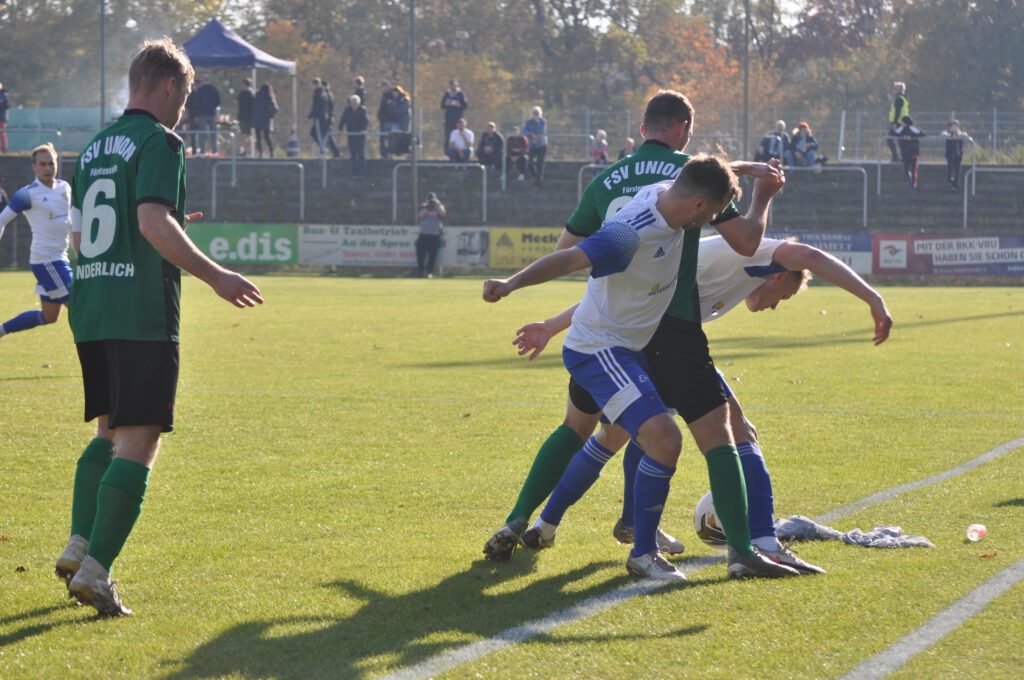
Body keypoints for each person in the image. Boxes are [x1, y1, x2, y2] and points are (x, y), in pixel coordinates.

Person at [482, 91, 796, 581]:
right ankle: (639, 547)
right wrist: (512, 283)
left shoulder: (647, 182)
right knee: (655, 438)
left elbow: (697, 179)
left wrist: (747, 168)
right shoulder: (635, 229)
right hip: (607, 347)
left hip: (631, 338)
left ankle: (726, 551)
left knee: (610, 433)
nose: (706, 226)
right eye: (709, 215)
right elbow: (574, 257)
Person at [505, 234, 893, 576]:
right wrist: (873, 298)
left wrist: (552, 326)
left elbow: (625, 294)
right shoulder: (758, 254)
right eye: (785, 295)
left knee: (616, 435)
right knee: (731, 431)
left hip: (619, 343)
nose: (777, 305)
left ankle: (552, 523)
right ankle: (759, 543)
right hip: (647, 348)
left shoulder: (726, 263)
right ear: (779, 274)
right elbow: (808, 254)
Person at [57, 38, 263, 617]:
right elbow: (150, 222)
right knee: (140, 439)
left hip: (93, 304)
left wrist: (167, 226)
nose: (185, 110)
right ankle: (96, 574)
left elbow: (83, 235)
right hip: (138, 311)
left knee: (108, 429)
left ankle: (79, 546)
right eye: (187, 95)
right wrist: (216, 274)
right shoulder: (161, 141)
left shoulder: (96, 145)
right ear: (170, 85)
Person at [0, 143, 72, 340]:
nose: (48, 168)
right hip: (47, 261)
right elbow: (2, 219)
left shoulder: (65, 187)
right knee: (79, 306)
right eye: (42, 164)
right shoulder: (28, 193)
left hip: (61, 258)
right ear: (34, 166)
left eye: (51, 163)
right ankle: (95, 356)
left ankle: (1, 330)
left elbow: (72, 221)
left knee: (49, 316)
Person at [187, 76, 220, 155]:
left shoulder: (200, 90)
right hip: (212, 113)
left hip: (202, 114)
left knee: (202, 133)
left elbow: (197, 103)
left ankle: (202, 150)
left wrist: (197, 115)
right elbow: (218, 103)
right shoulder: (214, 90)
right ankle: (214, 151)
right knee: (213, 133)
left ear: (204, 81)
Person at [338, 94, 369, 178]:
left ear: (359, 103)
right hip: (351, 135)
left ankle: (361, 173)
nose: (354, 104)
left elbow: (365, 121)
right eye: (352, 102)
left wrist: (364, 129)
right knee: (353, 154)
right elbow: (343, 119)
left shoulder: (363, 110)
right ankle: (354, 173)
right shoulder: (347, 110)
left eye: (355, 102)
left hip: (360, 136)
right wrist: (340, 128)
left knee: (361, 154)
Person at [416, 192, 446, 278]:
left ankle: (429, 272)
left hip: (435, 235)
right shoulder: (424, 207)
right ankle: (420, 271)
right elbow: (420, 216)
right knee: (420, 254)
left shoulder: (439, 207)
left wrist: (438, 203)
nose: (431, 201)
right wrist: (427, 206)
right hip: (424, 234)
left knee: (433, 255)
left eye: (432, 199)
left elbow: (443, 213)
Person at [892, 115, 925, 193]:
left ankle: (914, 187)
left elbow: (922, 134)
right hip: (905, 152)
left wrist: (911, 137)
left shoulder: (913, 128)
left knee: (914, 171)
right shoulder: (901, 129)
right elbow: (894, 134)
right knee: (906, 168)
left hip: (914, 152)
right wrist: (903, 136)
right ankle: (908, 176)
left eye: (903, 122)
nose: (901, 124)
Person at [308, 78, 339, 158]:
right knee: (325, 135)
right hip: (326, 117)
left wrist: (310, 116)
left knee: (320, 135)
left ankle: (324, 151)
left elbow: (317, 107)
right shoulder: (324, 93)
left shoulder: (320, 93)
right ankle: (334, 151)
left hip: (322, 118)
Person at [440, 79, 468, 154]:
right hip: (449, 120)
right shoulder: (447, 94)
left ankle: (459, 152)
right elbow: (442, 105)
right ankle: (447, 153)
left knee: (458, 136)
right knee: (448, 137)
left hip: (458, 120)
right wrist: (447, 104)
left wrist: (459, 105)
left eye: (454, 85)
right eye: (451, 85)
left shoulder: (461, 94)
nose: (453, 87)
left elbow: (465, 106)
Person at [941, 120, 970, 191]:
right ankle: (950, 179)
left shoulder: (961, 133)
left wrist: (957, 135)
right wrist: (951, 135)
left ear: (958, 127)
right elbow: (942, 134)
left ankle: (954, 186)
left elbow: (965, 135)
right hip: (950, 155)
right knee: (950, 168)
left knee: (957, 170)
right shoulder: (947, 133)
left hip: (958, 155)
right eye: (951, 126)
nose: (953, 128)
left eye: (954, 126)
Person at [524, 106, 548, 188]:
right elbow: (525, 131)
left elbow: (541, 131)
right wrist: (531, 134)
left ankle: (539, 182)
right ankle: (534, 176)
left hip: (542, 145)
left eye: (537, 113)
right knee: (529, 162)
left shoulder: (543, 121)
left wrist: (537, 122)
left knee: (540, 164)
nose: (535, 115)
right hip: (532, 146)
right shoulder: (528, 122)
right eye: (534, 113)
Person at [252, 84, 278, 158]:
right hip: (266, 120)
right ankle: (271, 152)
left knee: (258, 137)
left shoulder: (257, 96)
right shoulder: (269, 97)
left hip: (257, 119)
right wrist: (270, 115)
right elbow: (275, 108)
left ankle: (260, 153)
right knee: (267, 137)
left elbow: (253, 106)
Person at [887, 82, 909, 163]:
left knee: (889, 139)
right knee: (900, 141)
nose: (893, 90)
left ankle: (896, 156)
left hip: (898, 123)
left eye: (895, 88)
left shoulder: (899, 99)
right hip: (902, 123)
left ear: (899, 90)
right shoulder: (903, 98)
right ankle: (902, 157)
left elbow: (898, 112)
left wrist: (894, 123)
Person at [236, 77, 254, 157]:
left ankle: (244, 150)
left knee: (243, 135)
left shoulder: (242, 94)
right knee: (249, 134)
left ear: (244, 85)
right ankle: (248, 150)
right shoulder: (253, 94)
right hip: (250, 117)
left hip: (243, 117)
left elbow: (237, 102)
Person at [0, 81, 9, 153]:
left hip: (2, 119)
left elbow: (5, 105)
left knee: (2, 133)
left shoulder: (4, 95)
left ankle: (4, 149)